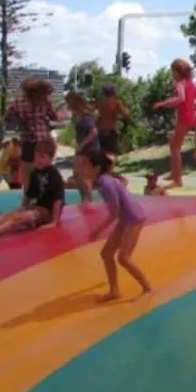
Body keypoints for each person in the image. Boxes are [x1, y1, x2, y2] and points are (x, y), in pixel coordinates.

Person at [0, 139, 66, 249]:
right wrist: (22, 207)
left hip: (47, 212)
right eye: (36, 157)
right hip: (38, 207)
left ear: (51, 158)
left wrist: (54, 221)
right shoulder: (36, 172)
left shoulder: (54, 175)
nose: (38, 160)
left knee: (16, 219)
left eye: (42, 157)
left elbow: (58, 199)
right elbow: (29, 194)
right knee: (6, 216)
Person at [78, 151, 153, 302]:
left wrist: (98, 230)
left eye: (85, 165)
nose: (80, 168)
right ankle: (114, 290)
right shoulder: (103, 181)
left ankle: (148, 289)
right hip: (126, 218)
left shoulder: (106, 184)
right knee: (106, 254)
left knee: (123, 258)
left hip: (134, 218)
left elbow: (114, 213)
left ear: (96, 168)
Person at [151, 59, 196, 191]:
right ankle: (174, 173)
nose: (172, 74)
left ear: (178, 72)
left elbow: (180, 98)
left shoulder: (180, 84)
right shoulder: (189, 83)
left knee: (175, 148)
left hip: (184, 118)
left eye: (173, 72)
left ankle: (177, 179)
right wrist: (190, 101)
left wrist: (163, 103)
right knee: (172, 142)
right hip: (189, 117)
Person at [5, 79, 58, 171]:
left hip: (28, 141)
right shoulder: (44, 101)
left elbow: (7, 119)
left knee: (28, 172)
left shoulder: (18, 102)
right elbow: (54, 117)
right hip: (44, 141)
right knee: (45, 170)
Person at [65, 91, 99, 203]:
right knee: (78, 175)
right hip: (82, 150)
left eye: (70, 104)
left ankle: (87, 200)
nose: (68, 106)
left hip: (87, 151)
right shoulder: (80, 116)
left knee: (83, 176)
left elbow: (94, 132)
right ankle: (85, 199)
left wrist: (82, 145)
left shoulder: (86, 117)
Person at [95, 84, 130, 156]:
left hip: (100, 131)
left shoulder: (99, 102)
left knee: (102, 154)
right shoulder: (116, 102)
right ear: (113, 92)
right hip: (111, 131)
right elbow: (126, 114)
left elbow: (97, 114)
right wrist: (125, 106)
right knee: (112, 154)